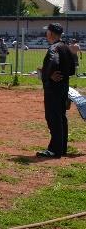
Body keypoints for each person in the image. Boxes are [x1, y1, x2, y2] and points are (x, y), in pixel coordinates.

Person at [36, 23, 75, 158]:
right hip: (64, 88)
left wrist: (48, 73)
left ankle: (54, 150)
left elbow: (53, 60)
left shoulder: (53, 48)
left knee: (53, 118)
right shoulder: (66, 47)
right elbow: (72, 70)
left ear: (51, 34)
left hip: (53, 89)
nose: (46, 34)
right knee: (61, 117)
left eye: (47, 32)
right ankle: (61, 148)